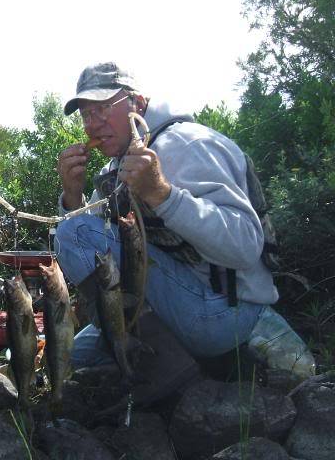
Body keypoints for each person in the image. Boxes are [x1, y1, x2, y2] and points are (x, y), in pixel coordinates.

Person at [54, 61, 293, 371]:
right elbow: (87, 245)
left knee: (74, 232)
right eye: (86, 114)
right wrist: (72, 197)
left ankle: (159, 365)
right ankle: (139, 345)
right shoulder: (113, 170)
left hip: (228, 312)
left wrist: (162, 193)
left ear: (136, 103)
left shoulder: (190, 144)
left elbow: (246, 247)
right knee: (69, 359)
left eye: (102, 108)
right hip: (171, 307)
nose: (93, 124)